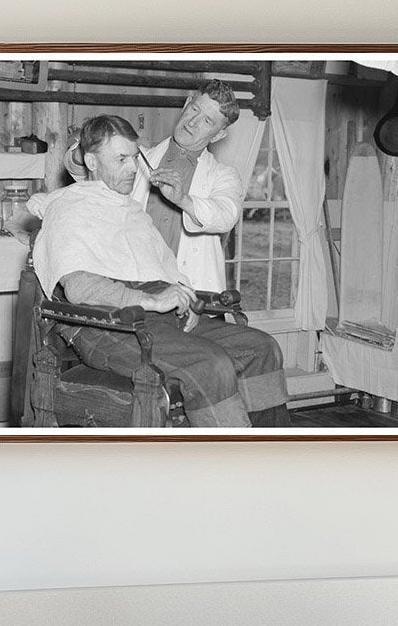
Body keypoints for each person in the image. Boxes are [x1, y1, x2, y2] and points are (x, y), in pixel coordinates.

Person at [29, 115, 289, 428]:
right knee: (212, 365)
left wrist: (186, 296)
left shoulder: (131, 211)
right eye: (120, 159)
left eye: (134, 157)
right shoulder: (69, 209)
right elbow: (82, 290)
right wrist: (153, 302)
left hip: (160, 320)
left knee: (262, 349)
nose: (131, 168)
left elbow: (163, 269)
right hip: (109, 326)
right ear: (91, 161)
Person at [64, 80, 243, 292]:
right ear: (186, 103)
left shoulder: (224, 175)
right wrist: (84, 150)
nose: (193, 122)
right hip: (136, 288)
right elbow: (82, 173)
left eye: (207, 121)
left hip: (196, 294)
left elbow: (226, 215)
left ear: (218, 134)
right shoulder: (139, 158)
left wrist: (182, 199)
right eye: (194, 109)